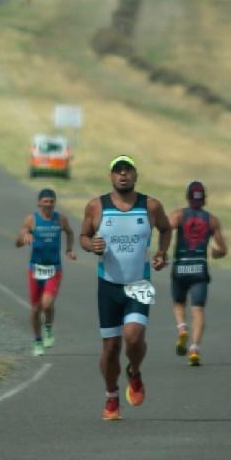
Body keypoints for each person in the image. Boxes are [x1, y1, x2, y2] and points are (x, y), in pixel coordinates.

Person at [80, 155, 171, 420]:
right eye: (117, 171)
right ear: (111, 176)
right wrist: (90, 246)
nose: (123, 175)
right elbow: (84, 236)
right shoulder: (96, 206)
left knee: (133, 336)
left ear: (135, 175)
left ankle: (134, 371)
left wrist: (162, 253)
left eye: (127, 171)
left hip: (139, 283)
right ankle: (111, 394)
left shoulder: (150, 206)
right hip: (108, 285)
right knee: (110, 348)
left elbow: (166, 229)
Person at [169, 180, 227, 366]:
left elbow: (165, 230)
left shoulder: (178, 215)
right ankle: (194, 349)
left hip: (180, 266)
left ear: (187, 197)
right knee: (198, 309)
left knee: (178, 304)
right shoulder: (212, 220)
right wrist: (217, 253)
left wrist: (161, 252)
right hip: (199, 268)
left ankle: (182, 328)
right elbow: (222, 249)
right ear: (205, 199)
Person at [15, 188, 76, 357]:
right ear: (39, 203)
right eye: (45, 201)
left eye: (51, 201)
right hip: (35, 269)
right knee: (35, 308)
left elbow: (70, 232)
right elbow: (17, 242)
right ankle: (37, 341)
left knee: (47, 304)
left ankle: (48, 328)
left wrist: (69, 249)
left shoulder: (60, 219)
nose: (48, 205)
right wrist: (24, 236)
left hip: (54, 269)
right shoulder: (31, 220)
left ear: (55, 203)